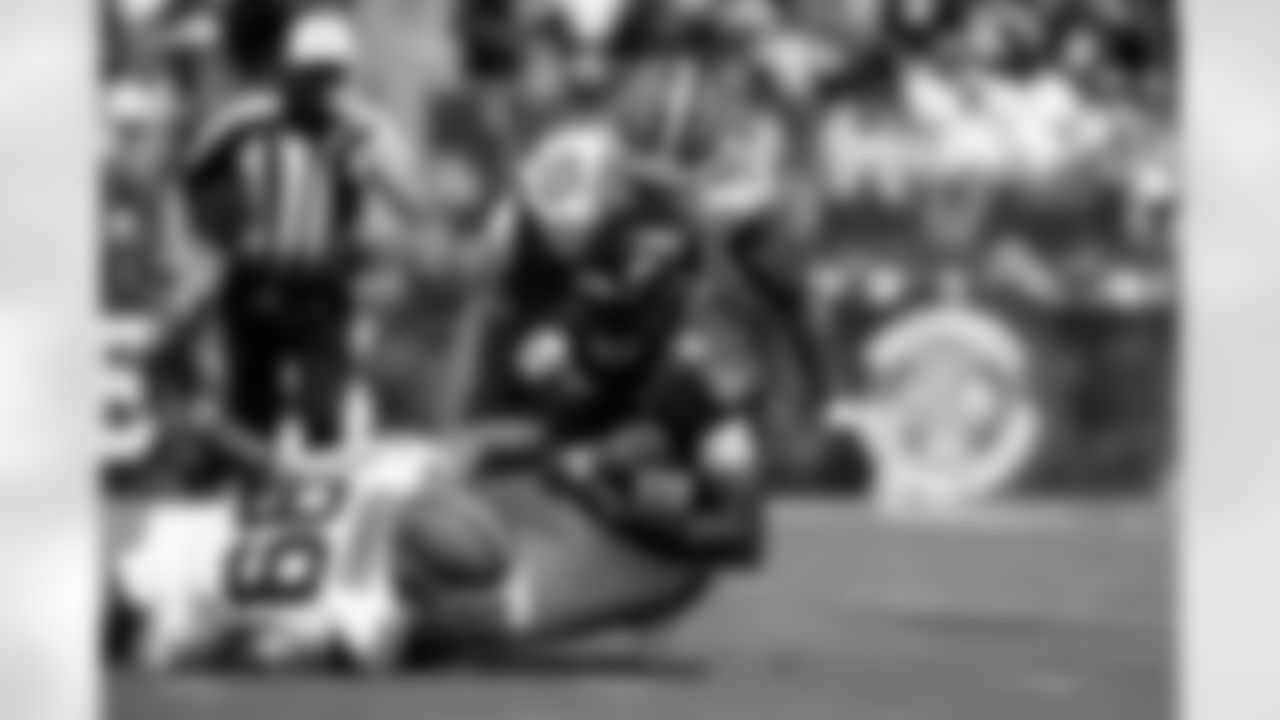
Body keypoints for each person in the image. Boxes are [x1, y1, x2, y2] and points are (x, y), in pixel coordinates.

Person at [169, 9, 427, 479]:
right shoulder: (248, 120)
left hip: (321, 288)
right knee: (251, 406)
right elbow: (195, 172)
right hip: (254, 281)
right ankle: (245, 503)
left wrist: (366, 170)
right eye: (313, 74)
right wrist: (220, 233)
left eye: (332, 75)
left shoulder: (358, 129)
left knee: (322, 409)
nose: (322, 87)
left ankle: (317, 509)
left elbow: (408, 202)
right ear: (289, 70)